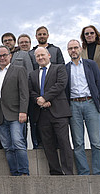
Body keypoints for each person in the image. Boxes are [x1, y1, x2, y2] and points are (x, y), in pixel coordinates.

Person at [29, 47, 74, 175]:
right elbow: (31, 91)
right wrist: (38, 100)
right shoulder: (32, 74)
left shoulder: (59, 68)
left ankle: (68, 172)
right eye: (37, 56)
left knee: (64, 143)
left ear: (49, 55)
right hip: (42, 114)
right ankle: (55, 172)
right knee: (48, 145)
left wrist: (45, 97)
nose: (40, 58)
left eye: (42, 55)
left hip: (59, 112)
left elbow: (60, 84)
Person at [66, 39, 100, 175]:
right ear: (68, 51)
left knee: (96, 141)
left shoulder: (90, 64)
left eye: (75, 47)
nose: (73, 51)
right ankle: (83, 173)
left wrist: (93, 97)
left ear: (80, 49)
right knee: (78, 143)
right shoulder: (66, 68)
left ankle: (99, 173)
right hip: (73, 105)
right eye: (70, 48)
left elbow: (99, 83)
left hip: (90, 104)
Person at [0, 46, 29, 176]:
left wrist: (23, 111)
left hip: (16, 114)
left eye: (4, 55)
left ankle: (24, 172)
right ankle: (15, 173)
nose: (2, 58)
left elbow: (24, 93)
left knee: (18, 143)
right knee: (7, 147)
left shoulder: (19, 70)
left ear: (10, 56)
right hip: (0, 116)